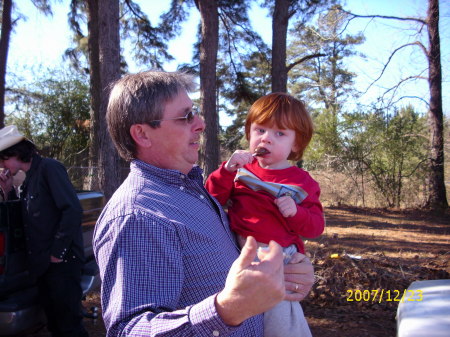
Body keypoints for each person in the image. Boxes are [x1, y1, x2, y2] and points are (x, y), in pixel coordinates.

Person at [94, 70, 315, 337]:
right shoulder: (138, 215)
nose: (200, 123)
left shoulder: (193, 190)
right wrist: (227, 310)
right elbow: (129, 330)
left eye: (195, 112)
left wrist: (291, 273)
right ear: (142, 134)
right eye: (185, 116)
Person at [205, 92, 325, 337]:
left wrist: (296, 213)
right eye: (260, 130)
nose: (266, 139)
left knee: (278, 317)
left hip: (276, 256)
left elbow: (315, 227)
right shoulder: (240, 170)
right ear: (249, 133)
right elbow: (211, 199)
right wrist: (227, 170)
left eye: (279, 133)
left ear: (296, 144)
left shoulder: (302, 183)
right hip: (235, 249)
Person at [0, 125, 88, 337]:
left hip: (62, 265)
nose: (2, 166)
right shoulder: (27, 179)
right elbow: (26, 220)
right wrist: (8, 190)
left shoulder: (49, 168)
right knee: (55, 324)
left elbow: (72, 211)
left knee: (69, 325)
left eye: (3, 160)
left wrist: (58, 252)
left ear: (15, 154)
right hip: (44, 266)